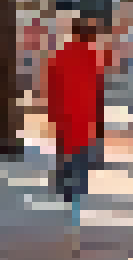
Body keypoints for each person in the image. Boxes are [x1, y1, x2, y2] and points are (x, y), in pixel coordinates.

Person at [44, 17, 106, 217]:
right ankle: (76, 199)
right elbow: (98, 92)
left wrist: (53, 113)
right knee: (80, 156)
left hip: (64, 114)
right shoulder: (93, 58)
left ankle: (64, 193)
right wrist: (99, 121)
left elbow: (52, 88)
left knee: (64, 152)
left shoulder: (59, 55)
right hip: (84, 116)